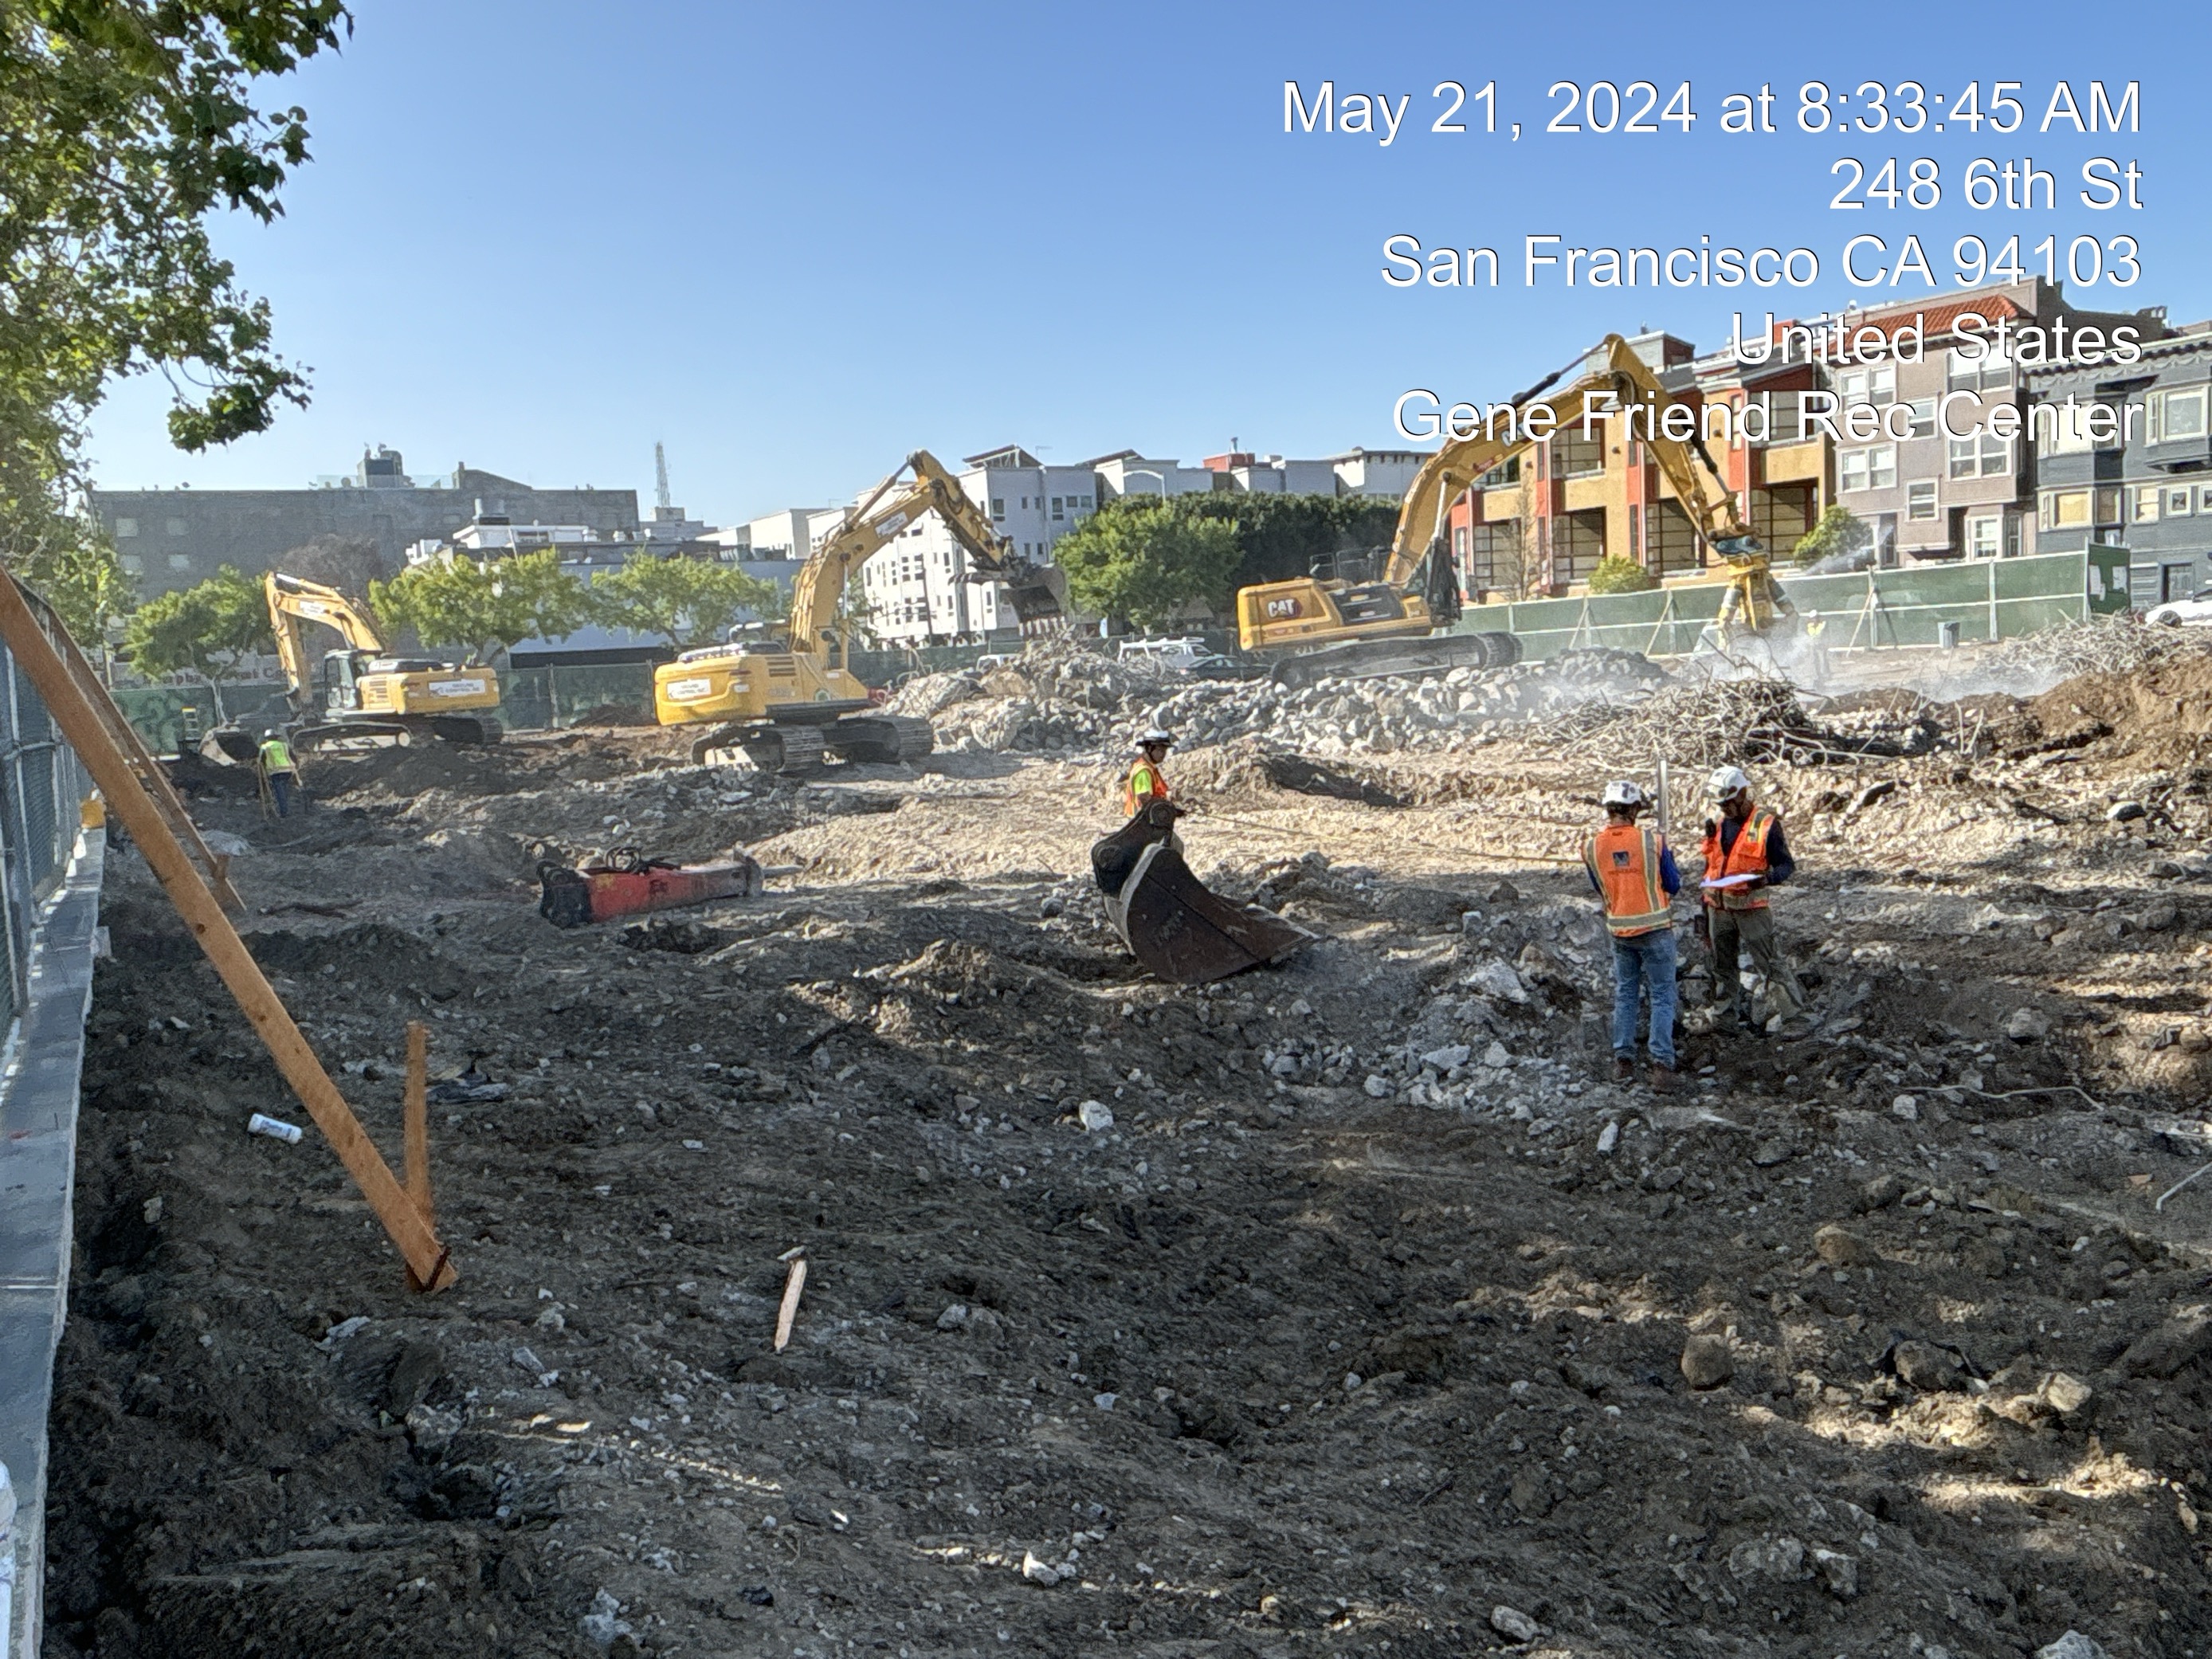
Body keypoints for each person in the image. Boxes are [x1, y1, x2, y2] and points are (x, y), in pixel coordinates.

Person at [1583, 779, 1681, 1091]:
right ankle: (1661, 1066)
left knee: (1626, 992)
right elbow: (1674, 884)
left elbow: (1600, 885)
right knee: (1663, 994)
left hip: (1620, 930)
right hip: (1655, 930)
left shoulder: (1591, 846)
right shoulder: (1652, 841)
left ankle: (1623, 1062)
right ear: (1635, 809)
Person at [1697, 765, 1802, 1032]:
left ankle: (1795, 1017)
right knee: (1723, 966)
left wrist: (1767, 879)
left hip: (1750, 908)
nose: (1724, 809)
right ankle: (1725, 1019)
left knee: (1769, 964)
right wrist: (1704, 909)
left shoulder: (1765, 825)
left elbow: (1786, 865)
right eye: (1721, 804)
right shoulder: (1718, 826)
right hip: (1718, 908)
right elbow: (1711, 867)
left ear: (1742, 794)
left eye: (1728, 804)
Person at [1122, 727, 1173, 818]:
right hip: (1143, 823)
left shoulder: (1148, 767)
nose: (1163, 754)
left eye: (1164, 751)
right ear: (1149, 748)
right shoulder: (1144, 771)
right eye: (1160, 750)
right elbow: (1143, 797)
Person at [257, 728, 299, 818]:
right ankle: (289, 806)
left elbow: (260, 760)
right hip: (287, 771)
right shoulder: (284, 745)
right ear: (276, 737)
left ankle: (284, 812)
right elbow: (293, 757)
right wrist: (295, 768)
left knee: (280, 792)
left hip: (275, 772)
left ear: (266, 738)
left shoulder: (265, 747)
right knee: (284, 789)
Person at [1803, 609, 1830, 682]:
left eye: (1815, 618)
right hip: (1813, 644)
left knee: (1823, 659)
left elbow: (1823, 634)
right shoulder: (1809, 625)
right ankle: (1816, 675)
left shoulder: (1823, 624)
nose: (1813, 620)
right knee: (1814, 660)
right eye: (1812, 618)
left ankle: (1825, 674)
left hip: (1821, 644)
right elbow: (1808, 634)